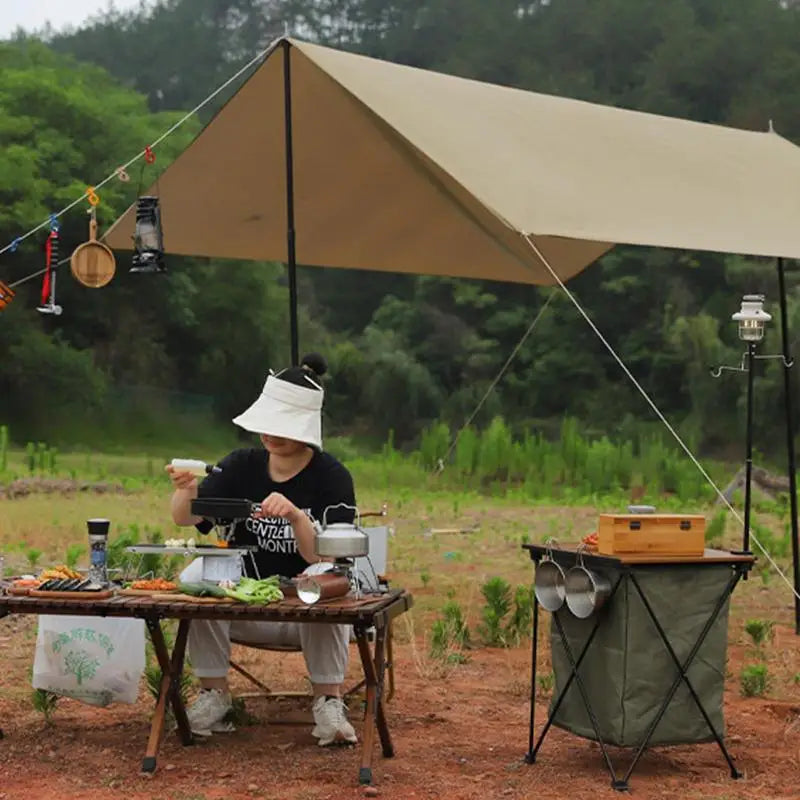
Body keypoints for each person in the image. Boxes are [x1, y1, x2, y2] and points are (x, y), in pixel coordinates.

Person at [166, 352, 358, 745]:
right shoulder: (240, 466)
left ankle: (328, 701)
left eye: (281, 427)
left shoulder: (332, 477)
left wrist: (296, 518)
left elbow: (324, 558)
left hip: (306, 611)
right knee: (196, 576)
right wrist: (186, 489)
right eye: (266, 425)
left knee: (324, 580)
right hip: (245, 604)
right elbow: (185, 519)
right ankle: (214, 695)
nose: (270, 434)